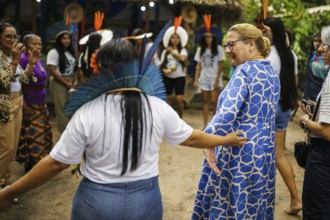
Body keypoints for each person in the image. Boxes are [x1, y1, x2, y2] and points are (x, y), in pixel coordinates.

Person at [0, 38, 247, 219]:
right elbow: (190, 138)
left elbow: (57, 163)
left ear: (100, 69)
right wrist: (224, 139)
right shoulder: (156, 106)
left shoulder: (88, 112)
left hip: (96, 203)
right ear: (134, 66)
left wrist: (11, 192)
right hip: (147, 202)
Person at [192, 23, 280, 219]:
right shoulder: (271, 71)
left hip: (239, 149)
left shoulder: (244, 72)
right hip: (265, 150)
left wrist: (208, 140)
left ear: (250, 44)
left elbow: (226, 114)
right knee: (256, 202)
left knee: (230, 204)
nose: (227, 50)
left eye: (232, 45)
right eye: (226, 45)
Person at [262, 17, 301, 215]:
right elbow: (294, 83)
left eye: (266, 30)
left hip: (268, 108)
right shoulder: (291, 55)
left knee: (260, 154)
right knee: (279, 155)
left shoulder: (267, 55)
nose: (263, 33)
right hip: (284, 107)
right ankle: (295, 199)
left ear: (274, 32)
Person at [0, 22, 39, 188]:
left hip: (18, 101)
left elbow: (22, 80)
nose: (12, 39)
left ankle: (5, 183)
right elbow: (3, 80)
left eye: (14, 36)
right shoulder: (6, 57)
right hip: (4, 105)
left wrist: (30, 64)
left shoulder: (10, 56)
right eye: (8, 36)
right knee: (6, 147)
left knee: (13, 148)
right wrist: (16, 60)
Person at [300, 25, 330, 220]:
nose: (321, 49)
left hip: (323, 156)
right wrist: (317, 110)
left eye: (326, 45)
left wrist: (306, 121)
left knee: (316, 210)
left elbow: (327, 132)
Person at [16, 33, 53, 173]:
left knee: (43, 132)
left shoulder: (37, 59)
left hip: (41, 102)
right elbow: (18, 83)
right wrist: (24, 103)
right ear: (25, 45)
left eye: (39, 43)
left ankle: (38, 162)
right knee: (32, 134)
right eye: (34, 43)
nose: (37, 46)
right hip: (30, 102)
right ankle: (33, 165)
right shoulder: (23, 59)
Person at [194, 15, 225, 129]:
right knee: (205, 101)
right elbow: (198, 65)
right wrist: (196, 79)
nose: (208, 39)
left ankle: (215, 124)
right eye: (206, 37)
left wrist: (217, 80)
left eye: (210, 37)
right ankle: (204, 122)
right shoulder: (200, 50)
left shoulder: (219, 49)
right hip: (204, 77)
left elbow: (221, 65)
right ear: (203, 38)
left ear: (214, 38)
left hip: (214, 77)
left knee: (214, 101)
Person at [47, 30, 77, 133]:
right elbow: (53, 70)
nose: (67, 40)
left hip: (71, 80)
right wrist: (66, 83)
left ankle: (71, 132)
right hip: (59, 81)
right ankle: (64, 133)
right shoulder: (54, 52)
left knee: (71, 108)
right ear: (59, 40)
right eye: (64, 38)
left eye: (68, 38)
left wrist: (74, 81)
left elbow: (75, 69)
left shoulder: (70, 52)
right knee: (62, 108)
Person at [160, 17, 188, 118]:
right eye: (173, 37)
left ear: (180, 39)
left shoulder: (183, 50)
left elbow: (182, 59)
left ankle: (180, 119)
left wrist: (172, 51)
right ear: (170, 39)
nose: (175, 39)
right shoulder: (164, 51)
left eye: (177, 38)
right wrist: (165, 71)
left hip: (180, 77)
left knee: (180, 99)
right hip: (167, 77)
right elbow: (161, 65)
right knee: (169, 99)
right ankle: (167, 120)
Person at [303, 32, 329, 102]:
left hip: (321, 92)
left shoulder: (327, 58)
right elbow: (308, 76)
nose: (317, 44)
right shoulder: (312, 55)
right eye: (315, 41)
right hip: (310, 90)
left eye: (320, 41)